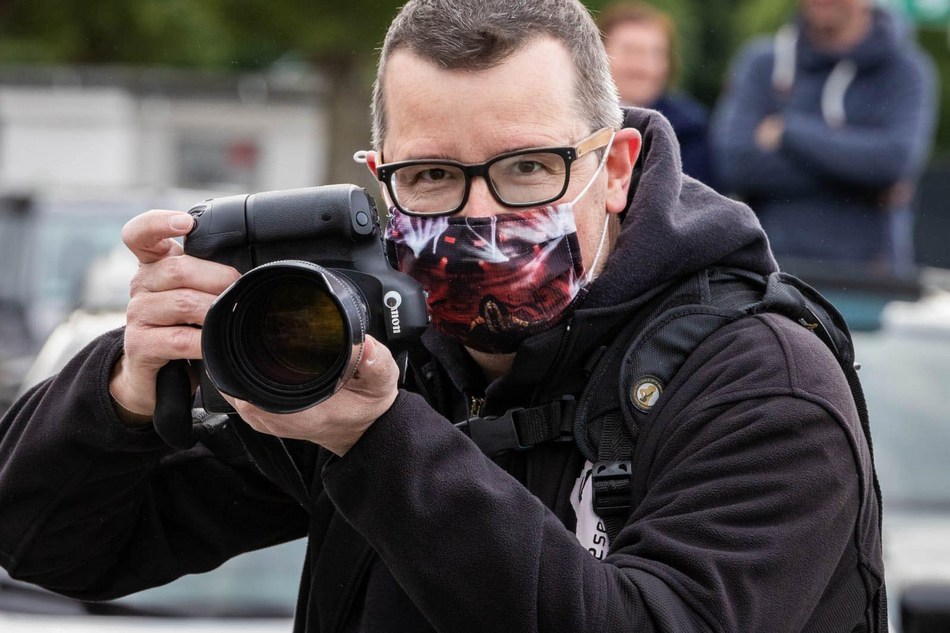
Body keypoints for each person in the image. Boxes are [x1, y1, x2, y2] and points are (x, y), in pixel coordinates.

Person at [0, 1, 885, 631]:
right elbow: (52, 545)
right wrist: (121, 386)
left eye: (527, 169)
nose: (478, 214)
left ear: (613, 167)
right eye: (431, 178)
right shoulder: (373, 356)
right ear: (381, 176)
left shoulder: (760, 380)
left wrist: (382, 445)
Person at [711, 0, 937, 277]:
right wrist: (860, 179)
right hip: (767, 275)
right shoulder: (762, 62)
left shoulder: (906, 70)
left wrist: (787, 132)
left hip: (869, 282)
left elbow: (892, 163)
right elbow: (737, 164)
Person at [598, 2, 716, 187]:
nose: (641, 65)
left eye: (654, 53)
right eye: (630, 50)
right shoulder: (572, 117)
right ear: (598, 54)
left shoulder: (690, 129)